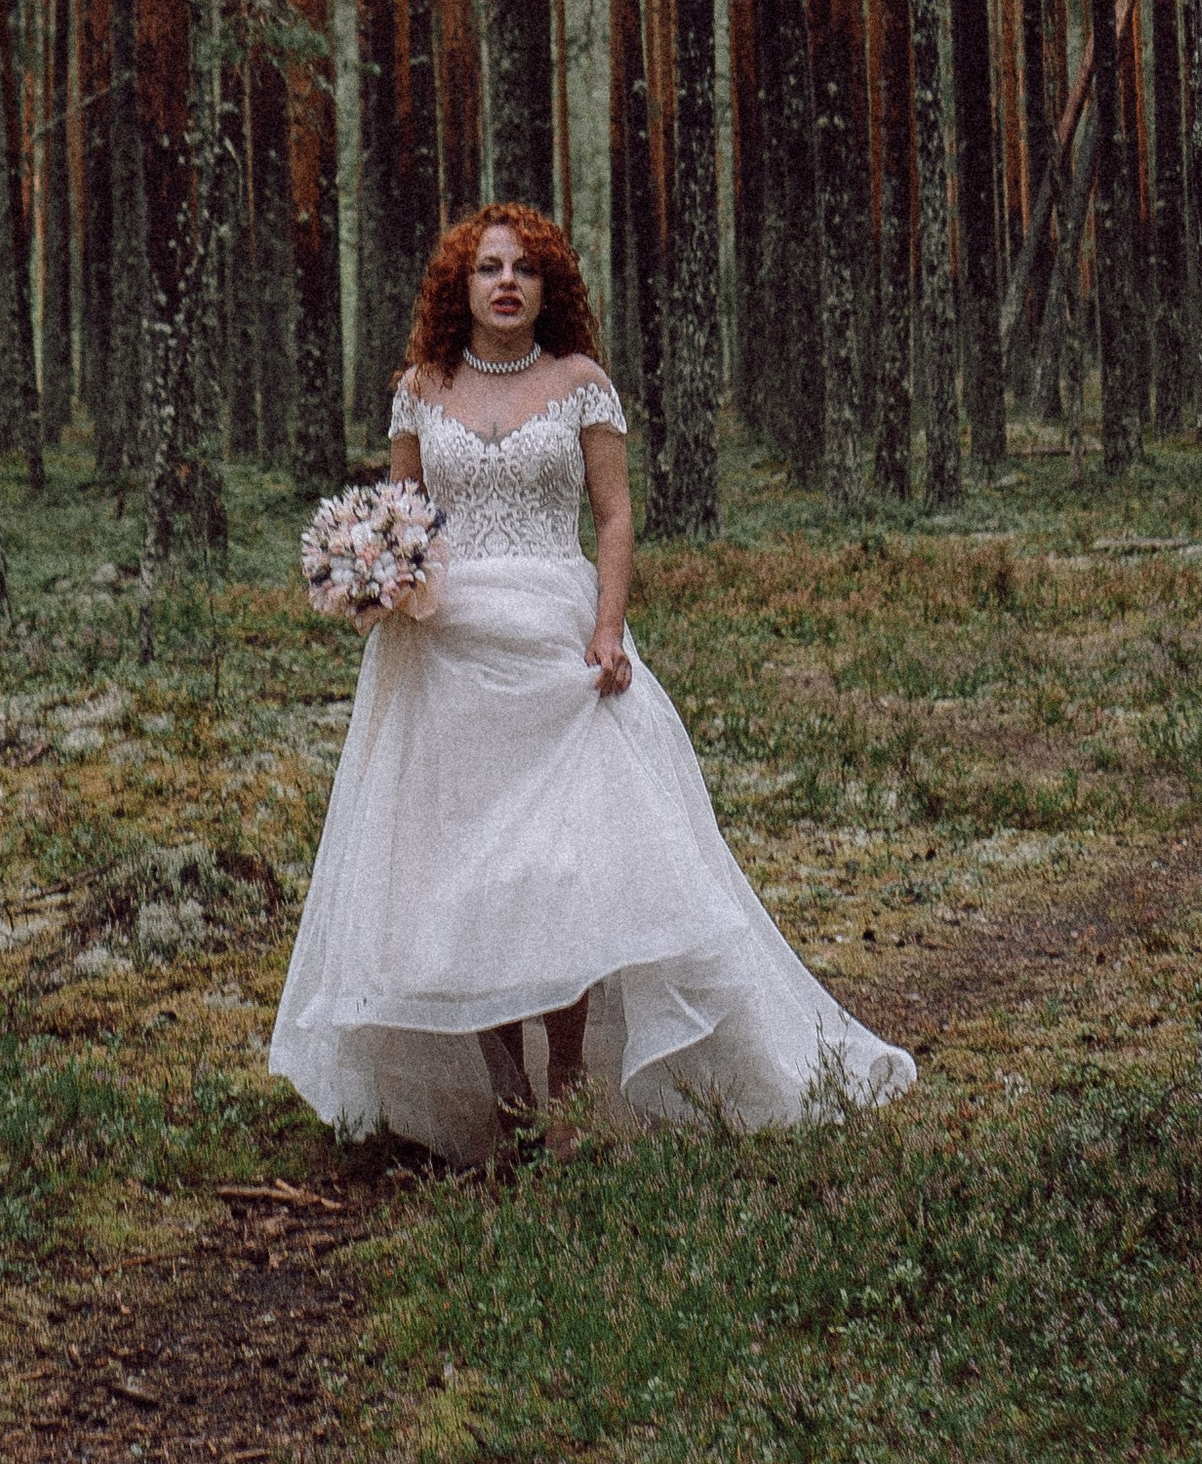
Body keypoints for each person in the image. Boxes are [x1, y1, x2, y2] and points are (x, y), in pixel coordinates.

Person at [269, 202, 915, 1166]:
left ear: (548, 287)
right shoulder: (418, 389)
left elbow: (613, 517)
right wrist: (376, 576)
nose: (505, 283)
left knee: (560, 878)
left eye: (525, 269)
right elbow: (405, 514)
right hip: (444, 654)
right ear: (462, 284)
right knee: (462, 882)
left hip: (558, 652)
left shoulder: (581, 387)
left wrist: (608, 630)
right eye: (488, 268)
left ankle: (567, 1089)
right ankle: (507, 1093)